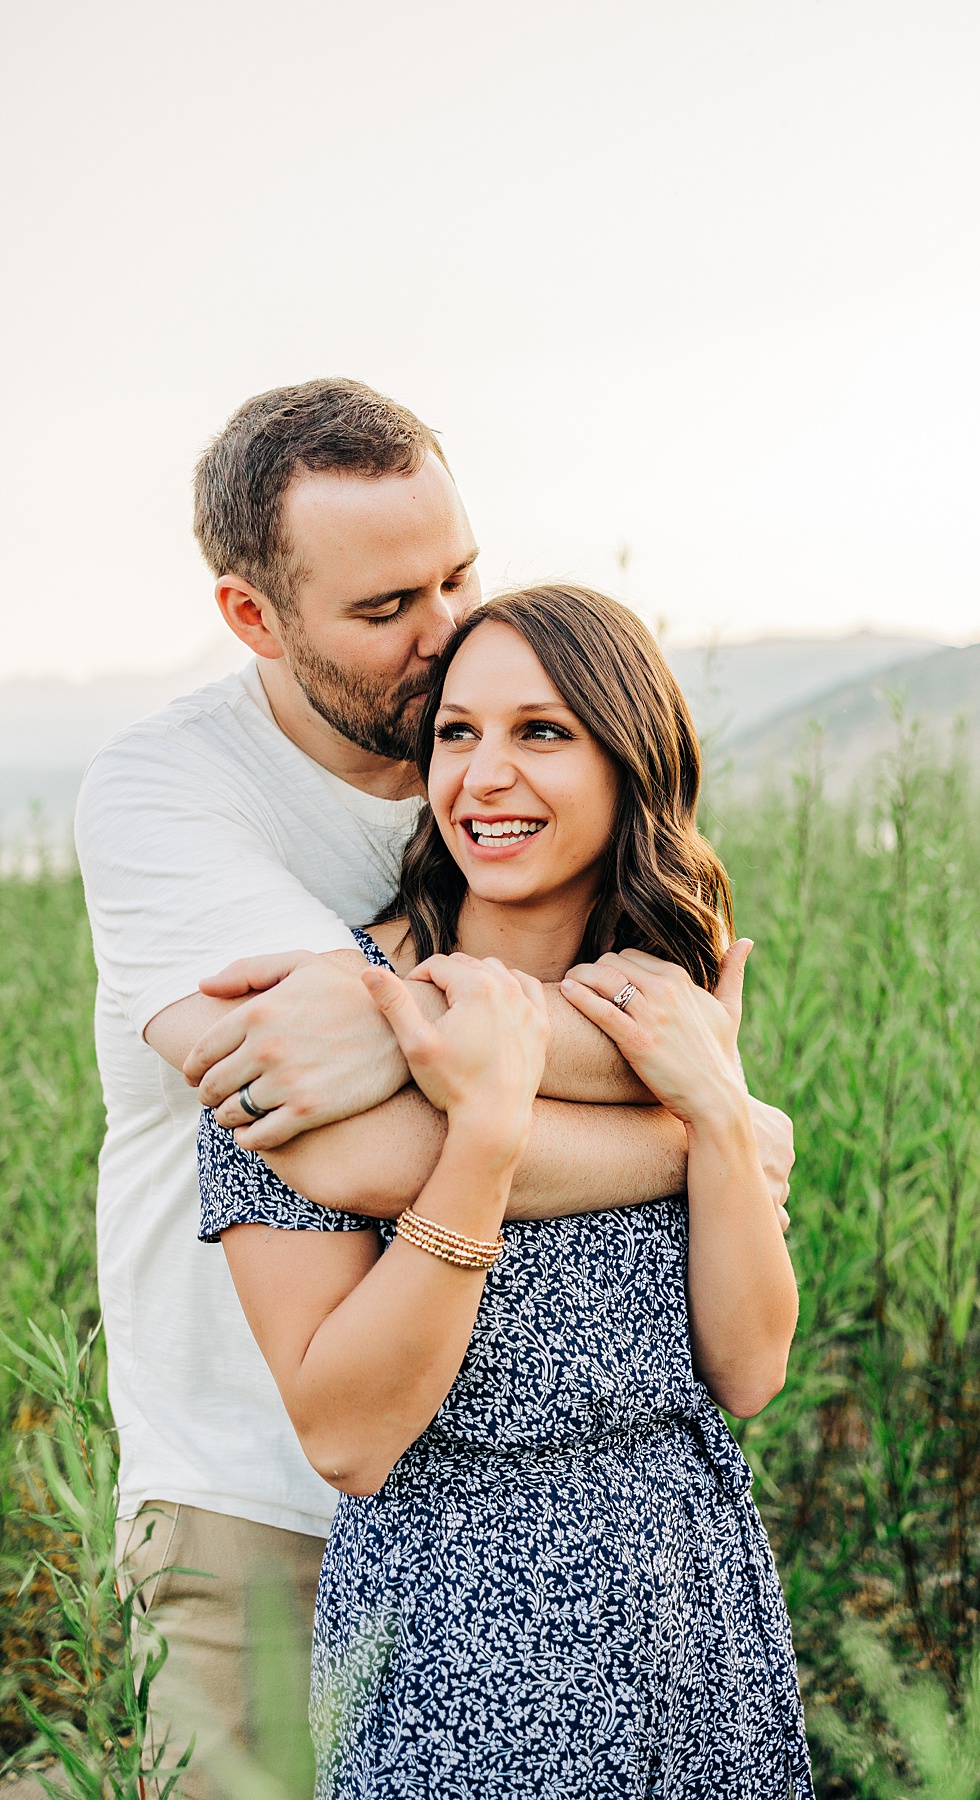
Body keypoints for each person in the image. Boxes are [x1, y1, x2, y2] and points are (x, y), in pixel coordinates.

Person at [73, 380, 796, 1797]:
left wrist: (688, 1096)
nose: (446, 627)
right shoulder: (168, 796)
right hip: (258, 1487)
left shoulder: (469, 759)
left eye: (461, 571)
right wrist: (711, 1122)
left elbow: (745, 1364)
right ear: (254, 620)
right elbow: (338, 1142)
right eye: (390, 603)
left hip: (664, 1593)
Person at [199, 586, 814, 1800]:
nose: (486, 776)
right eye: (457, 734)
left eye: (542, 732)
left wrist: (713, 1113)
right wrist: (482, 1140)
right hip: (455, 1634)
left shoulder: (666, 1015)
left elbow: (746, 1370)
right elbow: (348, 1436)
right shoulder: (323, 1031)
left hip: (698, 1618)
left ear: (631, 760)